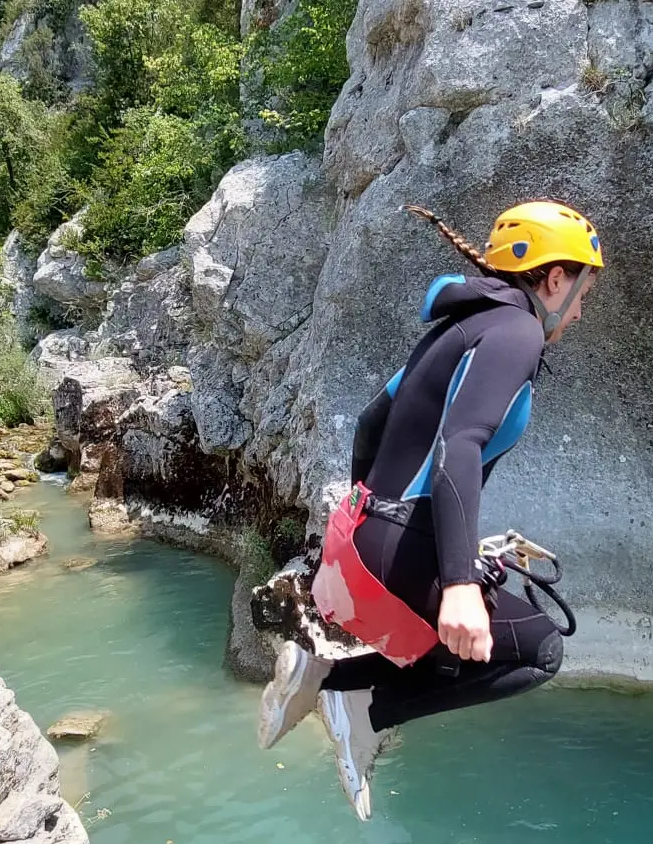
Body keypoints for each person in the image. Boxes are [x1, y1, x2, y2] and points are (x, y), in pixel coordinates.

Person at [255, 199, 605, 821]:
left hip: (364, 534)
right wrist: (460, 583)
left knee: (470, 629)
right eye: (582, 293)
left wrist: (374, 523)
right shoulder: (517, 331)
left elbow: (371, 422)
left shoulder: (459, 327)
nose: (578, 312)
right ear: (556, 278)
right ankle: (360, 703)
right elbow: (459, 446)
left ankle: (323, 672)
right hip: (399, 542)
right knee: (539, 651)